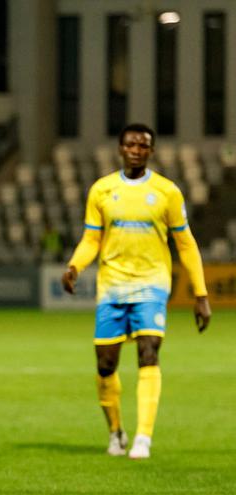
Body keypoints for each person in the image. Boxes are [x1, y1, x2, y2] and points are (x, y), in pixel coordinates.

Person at [62, 123, 210, 459]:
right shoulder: (102, 190)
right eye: (130, 144)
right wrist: (74, 266)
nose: (136, 150)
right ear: (120, 148)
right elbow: (92, 239)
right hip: (112, 285)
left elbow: (186, 244)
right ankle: (116, 432)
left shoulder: (167, 192)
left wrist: (201, 294)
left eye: (143, 146)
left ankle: (144, 437)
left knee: (149, 352)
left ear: (151, 151)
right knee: (105, 365)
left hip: (152, 284)